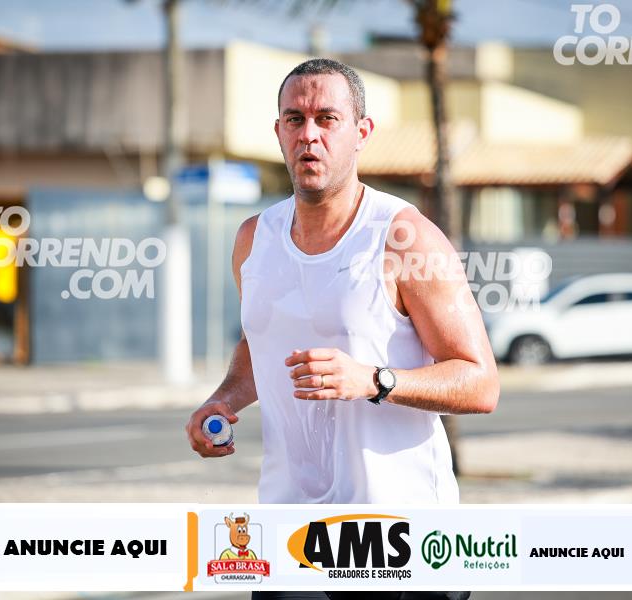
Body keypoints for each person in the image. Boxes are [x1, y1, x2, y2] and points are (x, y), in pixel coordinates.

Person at [185, 58, 499, 599]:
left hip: (400, 542)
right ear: (279, 132)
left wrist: (376, 381)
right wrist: (223, 400)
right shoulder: (254, 239)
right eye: (295, 119)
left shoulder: (404, 237)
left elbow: (481, 382)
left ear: (362, 132)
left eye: (327, 118)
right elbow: (260, 342)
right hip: (289, 536)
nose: (309, 135)